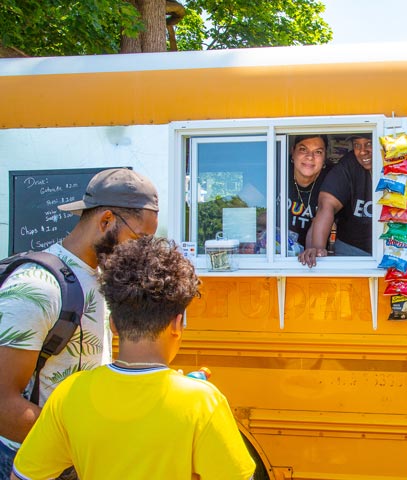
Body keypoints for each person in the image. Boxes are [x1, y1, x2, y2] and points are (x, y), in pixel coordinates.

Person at [10, 236, 256, 480]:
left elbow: (24, 476)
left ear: (113, 324)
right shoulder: (202, 403)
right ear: (177, 324)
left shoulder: (69, 394)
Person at [0, 168, 159, 479]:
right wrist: (82, 448)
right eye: (140, 239)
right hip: (32, 464)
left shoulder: (100, 278)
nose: (142, 252)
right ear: (106, 221)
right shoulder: (36, 287)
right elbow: (3, 403)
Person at [299, 133, 373, 267]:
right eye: (357, 145)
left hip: (395, 248)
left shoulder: (398, 162)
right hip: (352, 249)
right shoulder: (349, 164)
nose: (363, 151)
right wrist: (316, 248)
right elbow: (327, 205)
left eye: (369, 143)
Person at [287, 134, 328, 250]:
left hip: (310, 254)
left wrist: (311, 251)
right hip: (274, 250)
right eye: (303, 149)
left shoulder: (331, 179)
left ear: (325, 157)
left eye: (318, 152)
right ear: (293, 152)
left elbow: (319, 221)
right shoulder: (278, 168)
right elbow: (246, 206)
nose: (310, 157)